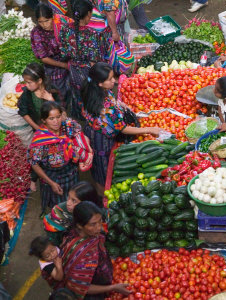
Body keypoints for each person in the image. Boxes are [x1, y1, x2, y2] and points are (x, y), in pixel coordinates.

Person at [81, 62, 162, 194]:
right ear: (100, 83)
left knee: (100, 167)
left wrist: (121, 104)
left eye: (113, 77)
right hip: (101, 139)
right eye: (110, 79)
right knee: (102, 171)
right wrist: (149, 129)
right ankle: (102, 196)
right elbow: (123, 129)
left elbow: (112, 100)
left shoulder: (94, 90)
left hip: (93, 130)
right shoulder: (106, 108)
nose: (114, 81)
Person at [57, 201, 130, 299]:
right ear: (79, 225)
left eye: (100, 221)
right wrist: (112, 287)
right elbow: (81, 287)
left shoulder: (88, 234)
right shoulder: (82, 254)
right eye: (93, 224)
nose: (99, 227)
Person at [27, 101, 83, 217]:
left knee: (74, 200)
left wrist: (76, 151)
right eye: (51, 118)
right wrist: (51, 183)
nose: (56, 121)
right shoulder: (40, 140)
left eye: (58, 117)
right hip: (53, 177)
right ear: (44, 120)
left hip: (71, 172)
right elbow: (34, 164)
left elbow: (79, 130)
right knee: (60, 207)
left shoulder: (67, 127)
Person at [59, 0, 105, 118]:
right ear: (89, 14)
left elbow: (63, 53)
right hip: (88, 72)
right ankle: (91, 117)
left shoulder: (65, 30)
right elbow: (95, 59)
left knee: (77, 95)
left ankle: (79, 116)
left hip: (73, 70)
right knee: (90, 95)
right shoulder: (92, 34)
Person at [31, 3, 71, 108]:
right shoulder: (37, 33)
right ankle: (60, 110)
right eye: (40, 22)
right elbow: (44, 58)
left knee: (73, 86)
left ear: (52, 17)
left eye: (47, 20)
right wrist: (64, 65)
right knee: (59, 89)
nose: (44, 25)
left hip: (68, 58)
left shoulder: (61, 24)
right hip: (53, 65)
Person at [43, 181, 103, 246]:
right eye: (68, 197)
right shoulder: (59, 212)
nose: (68, 203)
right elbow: (53, 239)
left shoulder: (98, 213)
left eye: (74, 201)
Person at [18, 63, 59, 131]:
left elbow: (62, 113)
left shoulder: (52, 91)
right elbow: (24, 112)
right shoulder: (27, 94)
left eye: (29, 82)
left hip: (56, 127)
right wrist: (38, 128)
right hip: (39, 126)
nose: (26, 85)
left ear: (39, 81)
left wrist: (52, 101)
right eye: (25, 82)